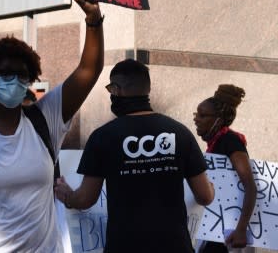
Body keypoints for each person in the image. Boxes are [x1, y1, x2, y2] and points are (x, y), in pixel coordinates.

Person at [0, 0, 104, 253]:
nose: (14, 80)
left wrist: (94, 21)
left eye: (21, 75)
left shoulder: (46, 119)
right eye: (6, 73)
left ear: (30, 79)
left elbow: (88, 71)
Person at [53, 59, 216, 253]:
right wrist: (211, 188)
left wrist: (68, 196)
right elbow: (205, 196)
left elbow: (86, 199)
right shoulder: (180, 133)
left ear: (116, 90)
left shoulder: (103, 137)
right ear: (147, 89)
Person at [195, 84, 255, 252]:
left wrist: (241, 229)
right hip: (215, 230)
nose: (196, 118)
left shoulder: (230, 142)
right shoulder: (215, 144)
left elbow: (250, 186)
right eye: (196, 114)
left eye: (202, 115)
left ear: (218, 119)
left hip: (228, 236)